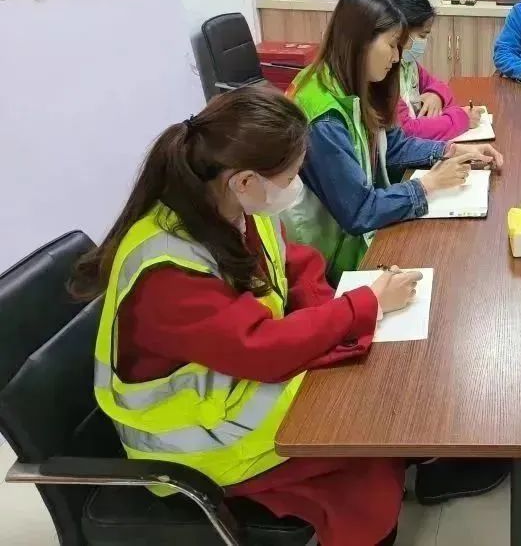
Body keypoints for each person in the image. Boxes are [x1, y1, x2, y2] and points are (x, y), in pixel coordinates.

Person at [71, 87, 419, 545]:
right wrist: (361, 307)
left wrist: (329, 312)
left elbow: (291, 264)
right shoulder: (168, 274)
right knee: (366, 453)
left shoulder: (229, 206)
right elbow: (259, 349)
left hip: (236, 388)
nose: (296, 186)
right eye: (291, 176)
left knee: (371, 413)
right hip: (196, 447)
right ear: (245, 180)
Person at [283, 0, 502, 283]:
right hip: (332, 261)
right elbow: (359, 210)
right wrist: (428, 184)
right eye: (391, 45)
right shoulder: (324, 116)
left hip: (357, 237)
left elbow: (393, 146)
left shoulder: (354, 80)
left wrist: (451, 151)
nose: (398, 57)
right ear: (361, 42)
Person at [388, 0, 486, 141]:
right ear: (400, 32)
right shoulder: (385, 73)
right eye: (422, 35)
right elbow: (406, 131)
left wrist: (436, 95)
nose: (423, 42)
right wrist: (463, 119)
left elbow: (440, 86)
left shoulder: (409, 64)